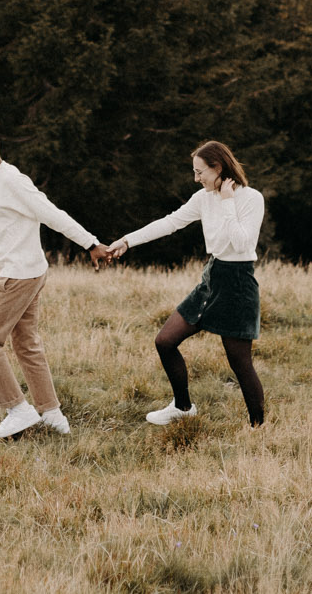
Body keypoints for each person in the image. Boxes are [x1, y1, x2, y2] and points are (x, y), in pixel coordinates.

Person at [95, 141, 266, 427]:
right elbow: (169, 222)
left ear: (218, 168)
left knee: (239, 362)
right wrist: (127, 240)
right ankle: (183, 407)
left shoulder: (251, 198)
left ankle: (258, 428)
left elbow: (242, 243)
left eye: (200, 172)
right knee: (165, 341)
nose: (196, 179)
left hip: (238, 282)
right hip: (212, 278)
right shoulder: (202, 198)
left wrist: (227, 202)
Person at [0, 129, 106, 439]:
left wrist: (91, 243)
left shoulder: (11, 182)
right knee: (26, 344)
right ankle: (52, 414)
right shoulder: (1, 182)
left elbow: (52, 214)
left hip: (19, 275)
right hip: (27, 271)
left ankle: (18, 409)